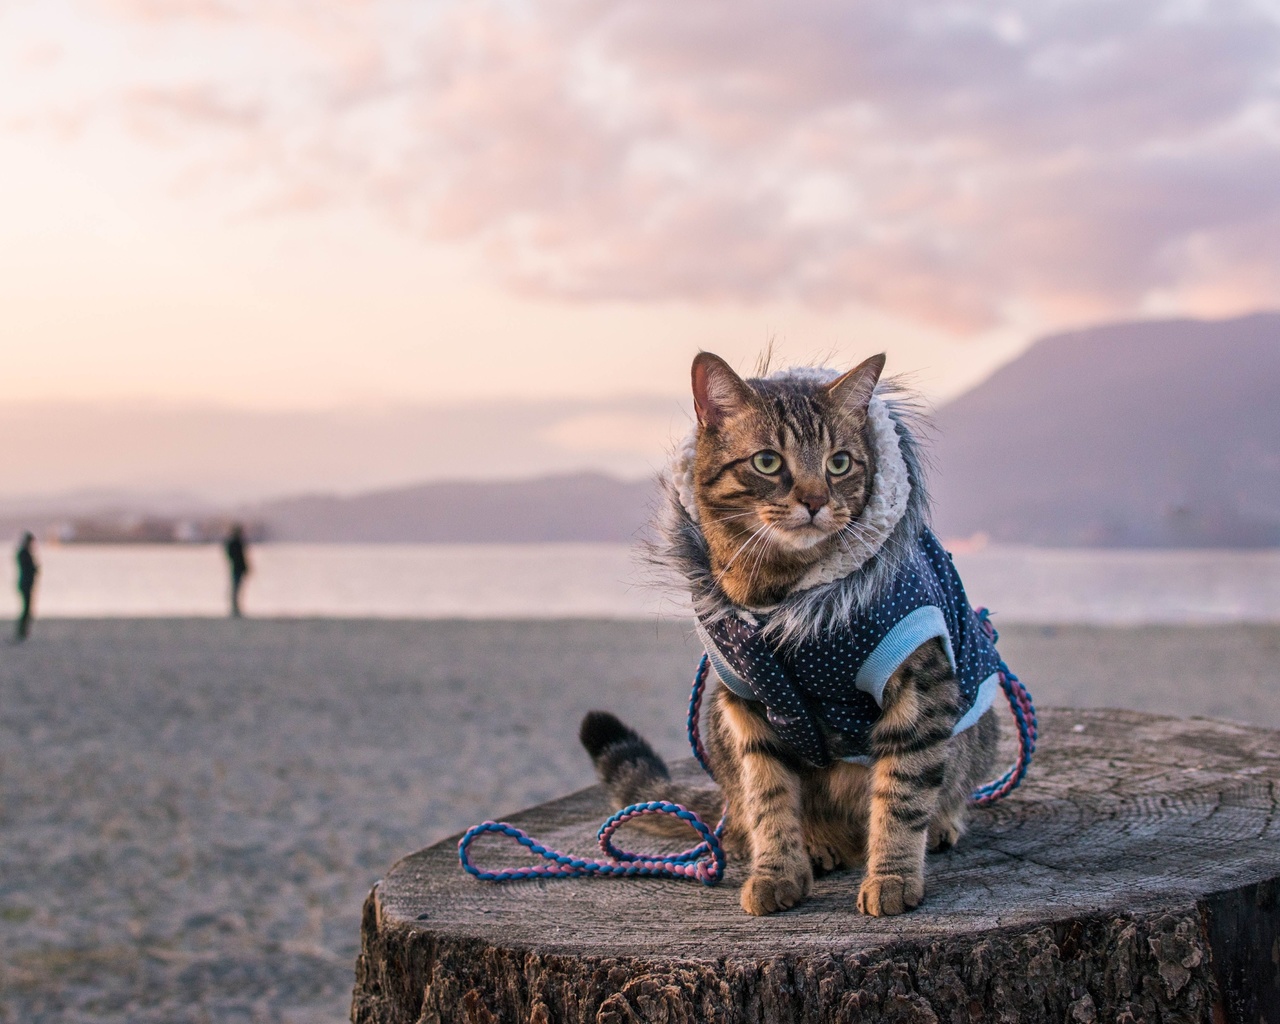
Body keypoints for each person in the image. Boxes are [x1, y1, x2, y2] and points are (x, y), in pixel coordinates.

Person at [15, 532, 38, 641]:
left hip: (26, 583)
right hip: (25, 584)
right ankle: (22, 632)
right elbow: (29, 568)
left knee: (27, 609)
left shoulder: (24, 553)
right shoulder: (24, 553)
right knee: (26, 609)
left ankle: (23, 631)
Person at [224, 524, 250, 618]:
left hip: (237, 568)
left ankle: (235, 607)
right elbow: (240, 557)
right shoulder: (236, 543)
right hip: (237, 568)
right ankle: (235, 608)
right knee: (236, 588)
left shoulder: (234, 543)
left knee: (236, 588)